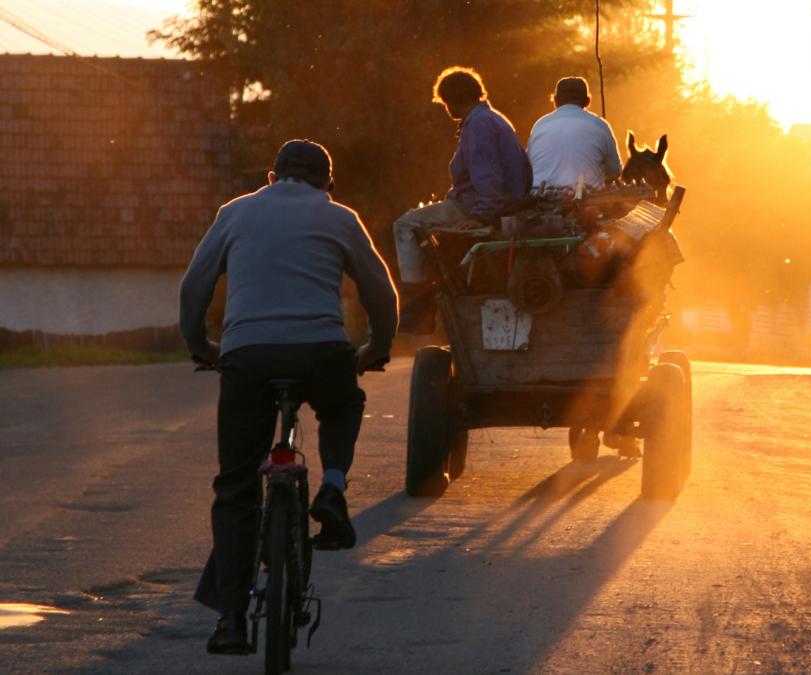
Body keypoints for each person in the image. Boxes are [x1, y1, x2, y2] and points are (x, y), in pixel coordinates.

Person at [179, 139, 398, 655]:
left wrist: (202, 347)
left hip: (246, 358)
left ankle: (231, 621)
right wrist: (376, 349)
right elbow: (380, 292)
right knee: (343, 403)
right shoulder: (340, 216)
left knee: (236, 486)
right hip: (321, 352)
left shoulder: (234, 213)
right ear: (326, 183)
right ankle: (334, 489)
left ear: (272, 178)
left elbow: (194, 288)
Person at [393, 66, 532, 333]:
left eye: (446, 103)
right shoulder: (491, 118)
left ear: (453, 100)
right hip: (496, 203)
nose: (447, 109)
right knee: (420, 219)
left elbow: (488, 180)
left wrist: (479, 217)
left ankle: (418, 309)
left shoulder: (478, 126)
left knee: (404, 225)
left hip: (482, 207)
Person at [526, 76, 622, 190]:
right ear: (587, 101)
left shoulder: (540, 125)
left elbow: (527, 170)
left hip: (539, 201)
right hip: (588, 202)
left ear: (555, 100)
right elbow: (615, 171)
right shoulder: (600, 125)